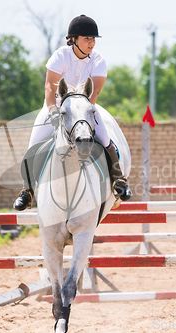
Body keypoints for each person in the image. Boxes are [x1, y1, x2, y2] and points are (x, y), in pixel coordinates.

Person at [13, 14, 132, 211]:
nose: (91, 43)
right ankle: (27, 191)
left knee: (105, 140)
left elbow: (94, 93)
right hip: (56, 106)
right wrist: (53, 113)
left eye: (93, 39)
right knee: (33, 146)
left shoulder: (99, 61)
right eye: (87, 39)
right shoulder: (60, 56)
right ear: (74, 39)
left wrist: (84, 114)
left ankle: (118, 180)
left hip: (85, 108)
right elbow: (50, 90)